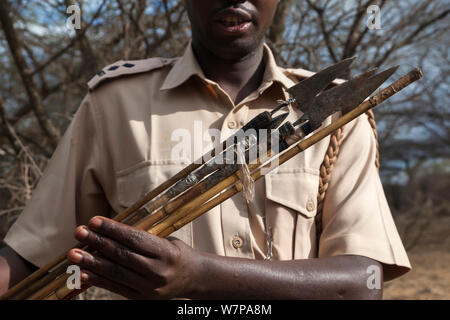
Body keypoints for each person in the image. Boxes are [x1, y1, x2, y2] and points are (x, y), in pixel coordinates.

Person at [0, 0, 410, 299]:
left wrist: (200, 275)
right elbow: (34, 258)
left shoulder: (339, 115)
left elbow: (362, 282)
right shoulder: (114, 104)